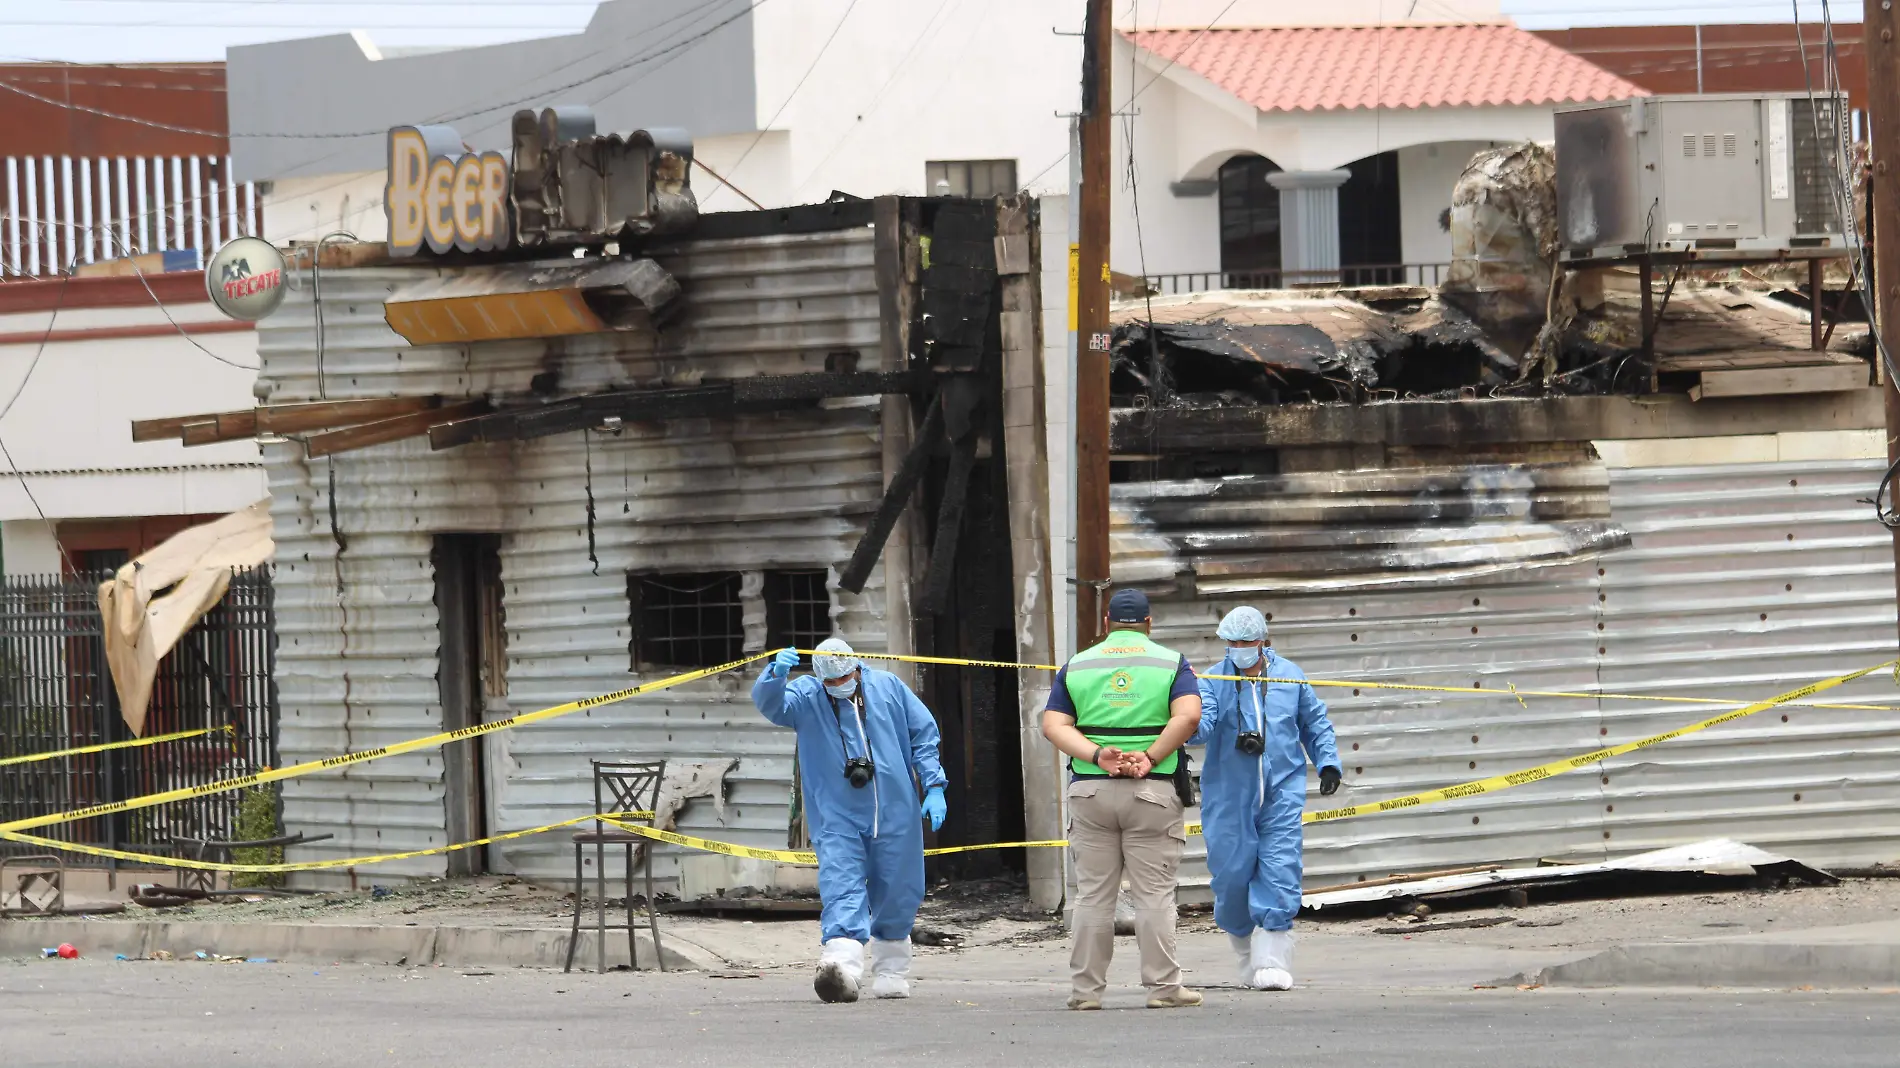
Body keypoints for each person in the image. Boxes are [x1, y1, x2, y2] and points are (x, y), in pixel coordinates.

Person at [753, 636, 949, 1004]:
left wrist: (934, 785)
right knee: (841, 883)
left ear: (857, 668)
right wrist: (773, 675)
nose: (838, 686)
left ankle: (891, 971)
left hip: (895, 811)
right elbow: (772, 706)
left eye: (844, 678)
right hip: (836, 812)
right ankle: (839, 967)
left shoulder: (887, 687)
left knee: (898, 888)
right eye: (831, 682)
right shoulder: (806, 696)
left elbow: (923, 734)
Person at [1041, 588, 1204, 1011]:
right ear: (1149, 624)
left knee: (1094, 896)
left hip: (1091, 790)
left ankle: (1086, 993)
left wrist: (1097, 755)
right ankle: (1164, 990)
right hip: (1152, 793)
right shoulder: (1171, 662)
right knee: (1154, 895)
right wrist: (1149, 758)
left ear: (1107, 624)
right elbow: (1188, 716)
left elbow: (1053, 724)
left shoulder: (1078, 664)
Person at [1192, 606, 1341, 991]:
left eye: (1246, 642)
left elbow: (1314, 722)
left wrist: (1327, 763)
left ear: (1262, 641)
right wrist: (1185, 720)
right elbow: (1202, 726)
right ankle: (1245, 952)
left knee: (1280, 866)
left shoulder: (1289, 675)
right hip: (1228, 793)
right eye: (1232, 643)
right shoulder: (1212, 680)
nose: (1239, 649)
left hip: (1282, 790)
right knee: (1230, 874)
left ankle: (1272, 958)